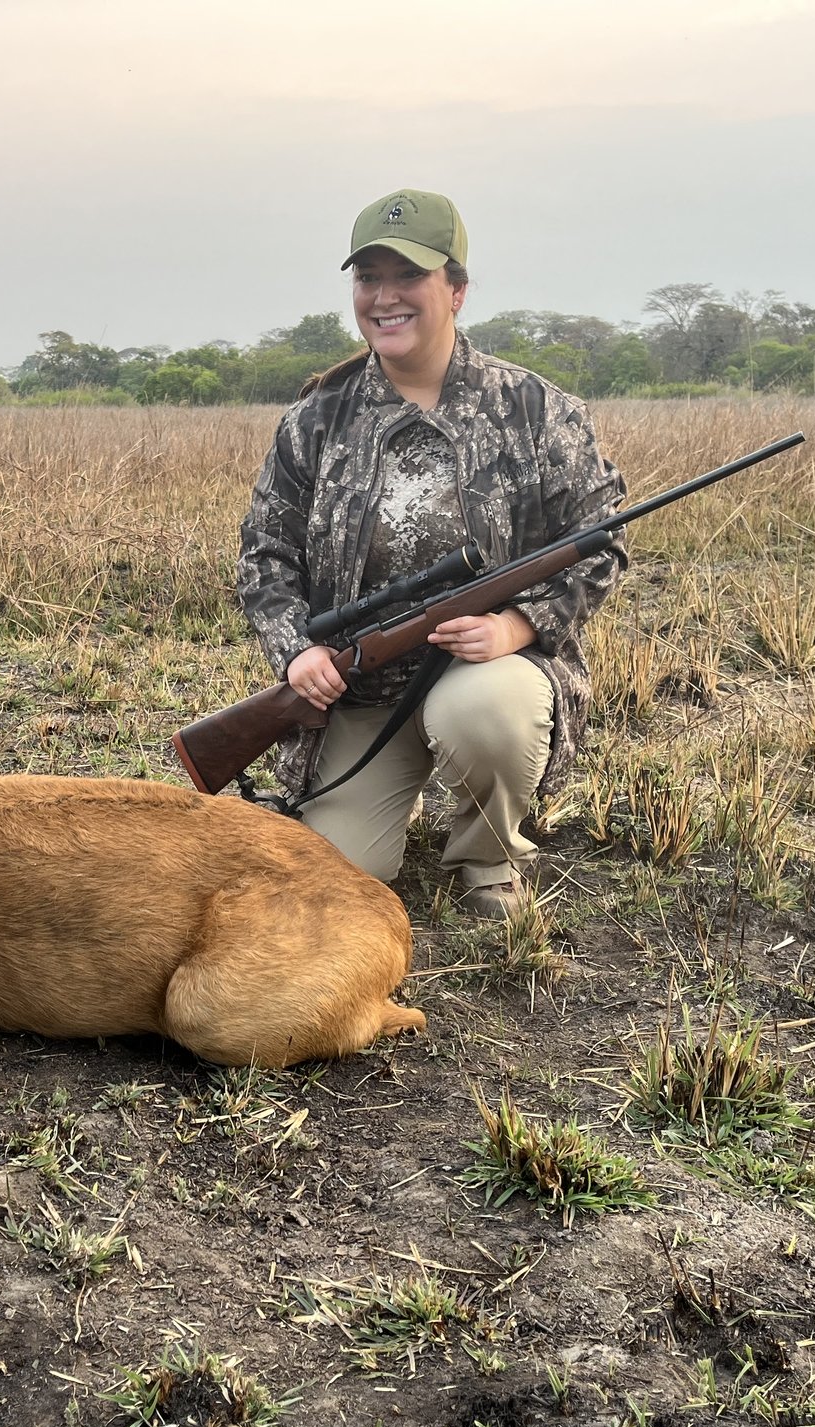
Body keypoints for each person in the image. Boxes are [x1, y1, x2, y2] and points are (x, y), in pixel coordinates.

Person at [236, 189, 627, 917]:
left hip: (484, 672)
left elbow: (600, 541)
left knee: (486, 714)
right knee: (336, 881)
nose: (384, 298)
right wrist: (298, 653)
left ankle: (488, 861)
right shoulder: (317, 418)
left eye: (406, 278)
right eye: (367, 279)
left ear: (456, 289)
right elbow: (266, 552)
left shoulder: (538, 411)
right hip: (363, 689)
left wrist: (518, 627)